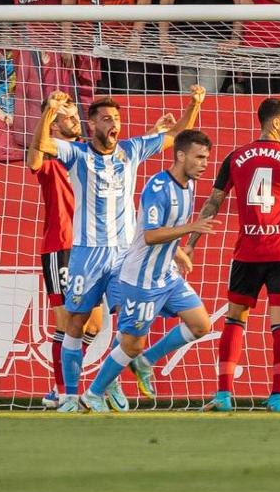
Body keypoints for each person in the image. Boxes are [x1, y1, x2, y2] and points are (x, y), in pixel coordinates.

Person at [30, 88, 203, 412]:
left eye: (117, 118)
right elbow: (40, 148)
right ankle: (67, 395)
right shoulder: (76, 154)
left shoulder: (131, 150)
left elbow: (176, 135)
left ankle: (110, 378)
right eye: (106, 118)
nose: (113, 123)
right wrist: (49, 113)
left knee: (133, 322)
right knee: (76, 324)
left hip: (124, 253)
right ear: (92, 123)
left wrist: (193, 104)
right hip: (83, 252)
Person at [81, 127, 219, 412]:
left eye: (207, 157)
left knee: (200, 324)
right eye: (199, 157)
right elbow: (150, 235)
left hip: (166, 273)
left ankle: (145, 361)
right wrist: (189, 229)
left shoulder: (189, 185)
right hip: (142, 280)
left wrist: (178, 251)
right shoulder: (158, 187)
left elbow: (163, 230)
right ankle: (92, 394)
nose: (205, 163)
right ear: (180, 156)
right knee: (131, 344)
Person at [185, 97, 280, 413]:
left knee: (235, 319)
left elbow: (213, 202)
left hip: (248, 251)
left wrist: (191, 243)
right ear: (276, 122)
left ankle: (224, 394)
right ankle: (278, 396)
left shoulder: (235, 157)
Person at [25, 92, 104, 408]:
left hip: (92, 247)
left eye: (74, 114)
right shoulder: (49, 158)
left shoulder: (87, 152)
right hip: (62, 246)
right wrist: (48, 111)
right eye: (67, 116)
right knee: (66, 322)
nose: (75, 119)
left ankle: (66, 383)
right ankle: (61, 390)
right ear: (53, 127)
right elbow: (33, 158)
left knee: (94, 325)